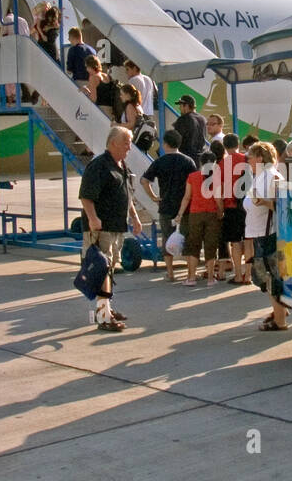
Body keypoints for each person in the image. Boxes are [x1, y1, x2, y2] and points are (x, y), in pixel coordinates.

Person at [78, 125, 143, 330]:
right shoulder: (99, 165)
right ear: (113, 142)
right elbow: (86, 196)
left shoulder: (120, 165)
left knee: (111, 267)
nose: (129, 148)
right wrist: (93, 218)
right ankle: (103, 315)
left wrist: (134, 217)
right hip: (101, 227)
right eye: (126, 143)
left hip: (116, 226)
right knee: (101, 269)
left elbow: (126, 195)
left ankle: (106, 307)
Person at [244, 141, 289, 331]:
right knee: (265, 277)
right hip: (260, 232)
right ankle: (279, 311)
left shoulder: (272, 176)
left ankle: (280, 320)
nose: (247, 160)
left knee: (271, 277)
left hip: (267, 233)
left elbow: (285, 206)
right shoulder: (262, 175)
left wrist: (264, 202)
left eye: (250, 156)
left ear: (260, 158)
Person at [141, 129, 196, 282]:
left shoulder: (159, 162)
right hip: (185, 206)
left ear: (165, 144)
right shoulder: (188, 161)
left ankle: (170, 272)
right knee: (187, 237)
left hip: (165, 205)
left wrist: (153, 197)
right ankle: (189, 272)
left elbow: (145, 181)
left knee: (166, 237)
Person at [177, 149, 223, 287]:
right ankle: (210, 278)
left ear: (200, 162)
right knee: (210, 246)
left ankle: (191, 278)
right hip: (211, 214)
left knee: (194, 246)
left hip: (195, 214)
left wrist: (180, 214)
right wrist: (221, 211)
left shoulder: (192, 176)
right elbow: (218, 198)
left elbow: (186, 198)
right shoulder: (216, 178)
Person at [220, 133, 249, 283]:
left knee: (235, 242)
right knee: (249, 240)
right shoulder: (247, 160)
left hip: (231, 206)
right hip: (248, 206)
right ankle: (248, 275)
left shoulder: (222, 164)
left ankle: (238, 275)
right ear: (238, 144)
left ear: (224, 146)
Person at [174, 94, 208, 164]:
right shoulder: (203, 119)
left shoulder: (183, 119)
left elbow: (175, 140)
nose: (179, 108)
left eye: (180, 106)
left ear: (186, 106)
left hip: (186, 159)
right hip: (200, 159)